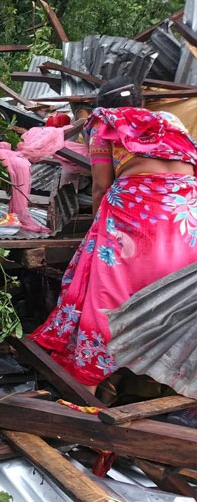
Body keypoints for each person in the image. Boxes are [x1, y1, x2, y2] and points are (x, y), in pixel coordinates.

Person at [31, 76, 197, 392]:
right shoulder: (171, 119)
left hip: (139, 210)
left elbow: (100, 186)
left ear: (101, 106)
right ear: (139, 102)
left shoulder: (104, 123)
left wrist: (100, 229)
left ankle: (92, 377)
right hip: (187, 209)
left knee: (109, 290)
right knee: (177, 294)